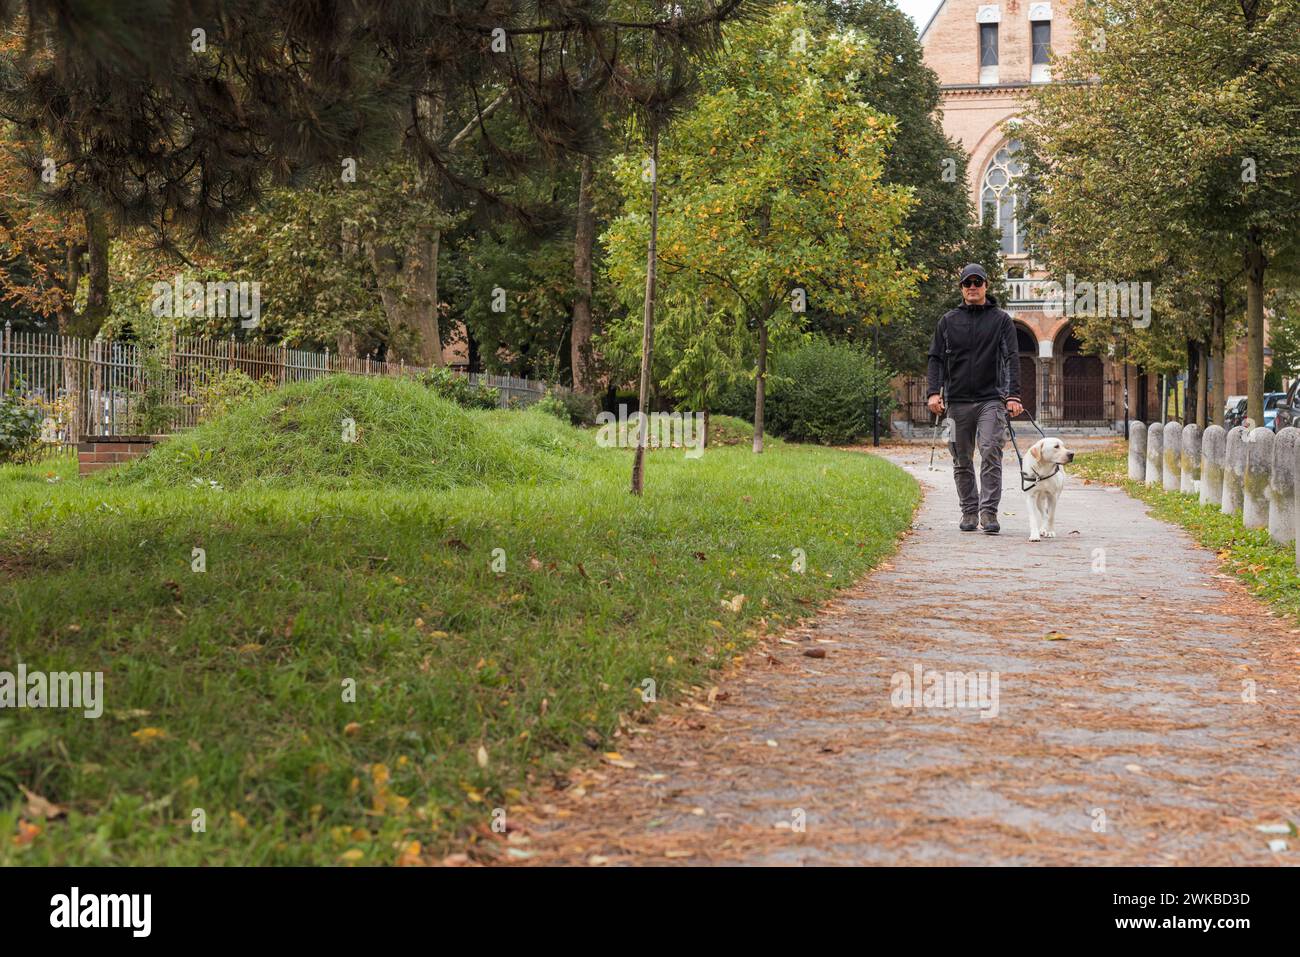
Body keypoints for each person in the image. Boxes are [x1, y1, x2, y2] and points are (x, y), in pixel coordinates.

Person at [926, 263, 1024, 534]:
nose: (972, 287)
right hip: (957, 403)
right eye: (967, 283)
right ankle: (969, 510)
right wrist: (934, 392)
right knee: (961, 457)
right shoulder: (947, 321)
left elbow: (1011, 358)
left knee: (991, 449)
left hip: (990, 399)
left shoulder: (1001, 320)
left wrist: (1013, 395)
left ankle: (988, 512)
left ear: (985, 286)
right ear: (961, 288)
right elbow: (935, 358)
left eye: (977, 283)